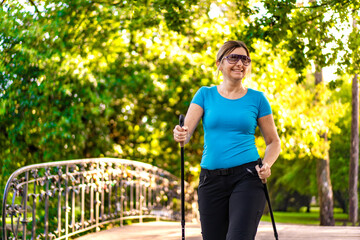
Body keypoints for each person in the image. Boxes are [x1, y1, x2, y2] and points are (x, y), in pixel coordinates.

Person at [173, 40, 281, 240]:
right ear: (219, 64)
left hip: (248, 177)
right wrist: (179, 134)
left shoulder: (257, 99)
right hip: (210, 180)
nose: (240, 63)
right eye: (233, 57)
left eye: (245, 59)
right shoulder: (205, 94)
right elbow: (185, 133)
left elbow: (274, 142)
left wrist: (267, 164)